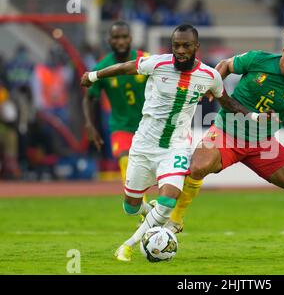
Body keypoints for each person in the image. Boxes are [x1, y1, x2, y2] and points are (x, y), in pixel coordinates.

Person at [166, 24, 284, 257]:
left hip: (263, 145)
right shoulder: (257, 59)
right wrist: (212, 86)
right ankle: (175, 220)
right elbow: (224, 65)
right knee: (198, 167)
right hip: (226, 132)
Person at [80, 24, 251, 261]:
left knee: (169, 198)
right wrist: (93, 75)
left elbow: (228, 102)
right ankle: (153, 215)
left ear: (196, 47)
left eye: (186, 45)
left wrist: (254, 116)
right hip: (143, 145)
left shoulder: (210, 76)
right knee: (130, 206)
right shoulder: (157, 63)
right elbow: (126, 67)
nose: (180, 50)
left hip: (176, 146)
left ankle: (127, 245)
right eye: (176, 45)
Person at [82, 21, 149, 186]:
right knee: (126, 161)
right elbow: (89, 97)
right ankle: (141, 209)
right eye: (116, 37)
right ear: (109, 40)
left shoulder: (146, 60)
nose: (120, 41)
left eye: (124, 37)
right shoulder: (102, 67)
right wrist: (89, 124)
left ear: (131, 38)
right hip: (121, 126)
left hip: (149, 126)